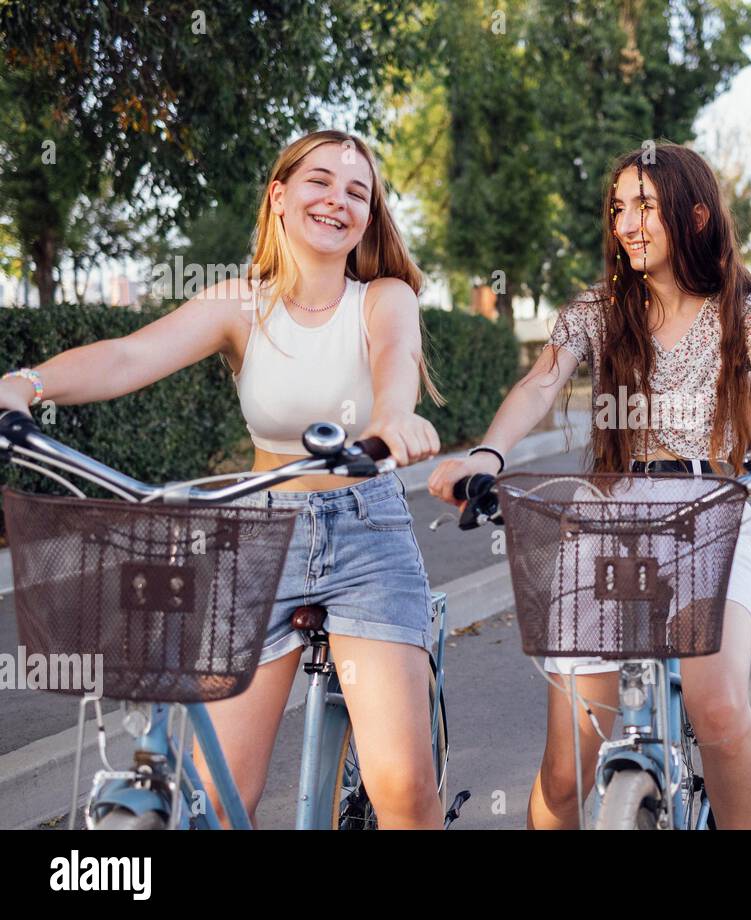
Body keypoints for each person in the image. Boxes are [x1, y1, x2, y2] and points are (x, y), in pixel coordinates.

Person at [1, 130, 447, 828]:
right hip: (257, 538)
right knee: (218, 800)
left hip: (367, 536)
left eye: (356, 192)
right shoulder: (239, 305)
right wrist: (25, 382)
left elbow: (395, 359)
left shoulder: (382, 297)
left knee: (403, 790)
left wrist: (392, 419)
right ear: (279, 196)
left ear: (367, 217)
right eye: (319, 182)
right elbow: (126, 357)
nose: (337, 200)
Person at [429, 142, 751, 828]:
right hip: (608, 522)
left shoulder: (745, 310)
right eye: (618, 209)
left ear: (694, 215)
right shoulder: (601, 309)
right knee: (568, 762)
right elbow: (542, 380)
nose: (628, 223)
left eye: (646, 206)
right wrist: (486, 455)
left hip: (712, 520)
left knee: (719, 709)